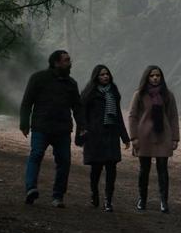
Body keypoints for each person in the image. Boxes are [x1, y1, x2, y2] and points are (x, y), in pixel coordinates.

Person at [19, 50, 85, 208]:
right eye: (66, 60)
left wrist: (82, 127)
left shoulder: (71, 83)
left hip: (62, 129)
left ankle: (58, 196)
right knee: (36, 155)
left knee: (64, 162)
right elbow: (27, 101)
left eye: (69, 60)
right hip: (41, 127)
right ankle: (31, 188)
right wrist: (24, 123)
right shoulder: (38, 78)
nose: (70, 63)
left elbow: (77, 108)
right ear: (56, 63)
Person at [128, 65, 180, 214]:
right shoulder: (139, 94)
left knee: (162, 169)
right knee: (144, 169)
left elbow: (173, 116)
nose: (155, 78)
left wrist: (175, 138)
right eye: (152, 76)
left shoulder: (168, 95)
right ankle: (142, 199)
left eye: (158, 75)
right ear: (147, 77)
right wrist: (134, 137)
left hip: (163, 135)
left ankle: (164, 201)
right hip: (144, 136)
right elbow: (133, 116)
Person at [78, 64, 130, 212]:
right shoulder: (89, 94)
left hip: (111, 135)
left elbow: (118, 116)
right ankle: (94, 195)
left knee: (111, 168)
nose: (105, 76)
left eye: (107, 74)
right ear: (96, 77)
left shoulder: (113, 92)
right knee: (96, 169)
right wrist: (81, 135)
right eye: (102, 74)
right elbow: (82, 117)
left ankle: (108, 200)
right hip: (95, 137)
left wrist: (124, 137)